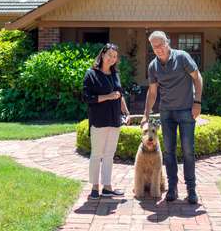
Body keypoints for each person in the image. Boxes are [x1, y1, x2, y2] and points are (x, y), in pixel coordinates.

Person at [141, 31, 203, 204]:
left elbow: (198, 79)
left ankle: (191, 190)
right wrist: (146, 114)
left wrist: (197, 102)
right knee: (168, 152)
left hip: (186, 110)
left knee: (188, 151)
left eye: (161, 45)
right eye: (154, 46)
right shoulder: (153, 66)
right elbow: (152, 92)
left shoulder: (182, 57)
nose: (158, 49)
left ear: (167, 42)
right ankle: (172, 188)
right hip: (166, 113)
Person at [83, 43, 130, 200]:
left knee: (109, 154)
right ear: (102, 54)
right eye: (110, 54)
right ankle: (95, 188)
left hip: (114, 119)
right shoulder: (91, 74)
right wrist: (108, 97)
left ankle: (107, 187)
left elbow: (120, 94)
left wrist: (126, 112)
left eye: (115, 56)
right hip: (99, 120)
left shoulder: (115, 74)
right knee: (97, 154)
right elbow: (87, 98)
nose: (112, 58)